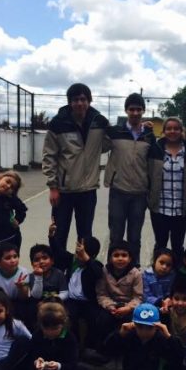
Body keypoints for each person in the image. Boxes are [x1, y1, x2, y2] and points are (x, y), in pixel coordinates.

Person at [42, 83, 109, 251]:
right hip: (64, 191)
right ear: (70, 102)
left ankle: (80, 272)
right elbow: (49, 156)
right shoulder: (58, 123)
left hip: (88, 191)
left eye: (83, 99)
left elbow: (111, 141)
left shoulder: (99, 121)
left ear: (89, 101)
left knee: (85, 236)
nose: (80, 103)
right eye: (75, 100)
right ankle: (58, 272)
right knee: (59, 233)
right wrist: (53, 187)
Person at [104, 93, 155, 266]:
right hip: (118, 190)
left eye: (138, 109)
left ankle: (134, 269)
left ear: (143, 111)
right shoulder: (115, 132)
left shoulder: (149, 135)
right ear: (126, 110)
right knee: (116, 235)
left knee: (135, 236)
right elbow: (97, 145)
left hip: (139, 193)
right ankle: (112, 269)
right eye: (132, 109)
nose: (135, 112)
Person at [5, 301, 92, 370]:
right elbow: (33, 355)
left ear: (63, 324)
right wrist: (38, 362)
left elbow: (72, 362)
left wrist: (58, 366)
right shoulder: (37, 335)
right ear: (40, 325)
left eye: (55, 328)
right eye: (46, 328)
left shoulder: (69, 338)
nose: (50, 332)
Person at [147, 116, 186, 264]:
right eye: (169, 128)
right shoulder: (155, 149)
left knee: (177, 245)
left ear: (181, 130)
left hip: (181, 209)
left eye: (176, 128)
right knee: (160, 244)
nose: (172, 131)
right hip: (160, 208)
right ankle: (155, 275)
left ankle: (178, 278)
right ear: (164, 131)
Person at [90, 241, 143, 363]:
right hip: (111, 306)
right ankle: (103, 351)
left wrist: (128, 308)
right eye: (116, 255)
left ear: (130, 258)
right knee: (102, 320)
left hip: (128, 307)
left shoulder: (136, 273)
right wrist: (111, 306)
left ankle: (126, 353)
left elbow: (138, 297)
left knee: (131, 324)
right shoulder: (104, 271)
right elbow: (101, 294)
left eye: (124, 255)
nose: (120, 258)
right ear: (110, 258)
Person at [24, 244, 68, 329]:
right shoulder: (32, 276)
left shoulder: (58, 273)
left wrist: (50, 300)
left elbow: (65, 293)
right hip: (38, 301)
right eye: (36, 260)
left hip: (56, 300)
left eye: (45, 258)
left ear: (52, 261)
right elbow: (36, 295)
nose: (41, 262)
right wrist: (38, 277)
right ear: (32, 264)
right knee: (30, 309)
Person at [0, 242, 30, 319]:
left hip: (17, 303)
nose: (13, 260)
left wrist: (21, 288)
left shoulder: (24, 273)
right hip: (0, 303)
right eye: (8, 258)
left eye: (15, 256)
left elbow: (24, 298)